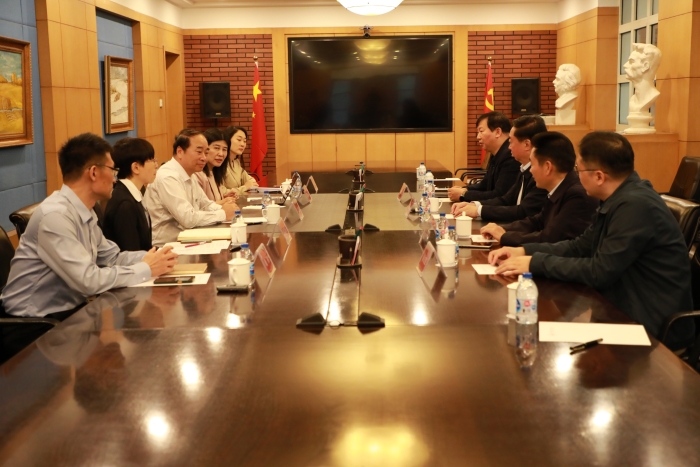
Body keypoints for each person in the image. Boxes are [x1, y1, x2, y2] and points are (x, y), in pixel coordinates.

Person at [489, 131, 693, 347]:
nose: (576, 176)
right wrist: (524, 251)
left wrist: (535, 263)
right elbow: (580, 246)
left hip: (650, 325)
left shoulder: (635, 206)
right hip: (622, 308)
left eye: (579, 169)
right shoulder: (619, 198)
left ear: (599, 176)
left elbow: (599, 271)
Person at [0, 133, 177, 360]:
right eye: (113, 171)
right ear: (94, 172)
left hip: (68, 315)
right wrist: (145, 268)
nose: (115, 179)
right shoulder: (56, 216)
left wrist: (155, 258)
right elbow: (87, 280)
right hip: (32, 327)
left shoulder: (85, 210)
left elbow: (111, 257)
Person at [480, 131, 598, 246]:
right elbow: (537, 221)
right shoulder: (559, 188)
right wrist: (502, 229)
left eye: (532, 164)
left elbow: (549, 238)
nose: (530, 170)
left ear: (547, 167)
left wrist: (505, 236)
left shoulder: (577, 196)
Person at [144, 129, 239, 246]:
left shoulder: (190, 174)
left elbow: (206, 205)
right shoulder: (168, 177)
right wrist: (223, 213)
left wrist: (228, 209)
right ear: (180, 152)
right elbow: (187, 219)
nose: (204, 158)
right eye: (199, 152)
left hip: (187, 240)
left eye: (206, 152)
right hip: (166, 246)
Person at [451, 115, 548, 222]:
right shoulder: (524, 168)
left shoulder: (541, 174)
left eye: (511, 141)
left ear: (527, 144)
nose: (509, 146)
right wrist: (475, 205)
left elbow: (522, 212)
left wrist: (477, 210)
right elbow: (506, 200)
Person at [447, 111, 520, 202]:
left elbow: (499, 195)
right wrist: (465, 189)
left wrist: (464, 194)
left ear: (498, 132)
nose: (478, 137)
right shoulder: (496, 153)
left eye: (481, 131)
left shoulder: (510, 156)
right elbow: (485, 185)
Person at [103, 137, 157, 251]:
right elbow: (130, 252)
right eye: (151, 160)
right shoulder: (125, 204)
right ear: (136, 167)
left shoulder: (133, 194)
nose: (156, 165)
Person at [194, 128, 238, 204]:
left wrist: (224, 197)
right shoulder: (197, 174)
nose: (221, 154)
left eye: (224, 149)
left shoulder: (214, 171)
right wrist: (223, 202)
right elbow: (199, 207)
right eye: (216, 148)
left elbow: (211, 201)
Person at [221, 126, 258, 197]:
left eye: (244, 141)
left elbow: (251, 180)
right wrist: (244, 187)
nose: (242, 144)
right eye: (239, 140)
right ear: (228, 140)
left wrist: (247, 185)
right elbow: (222, 192)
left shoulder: (236, 162)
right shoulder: (220, 163)